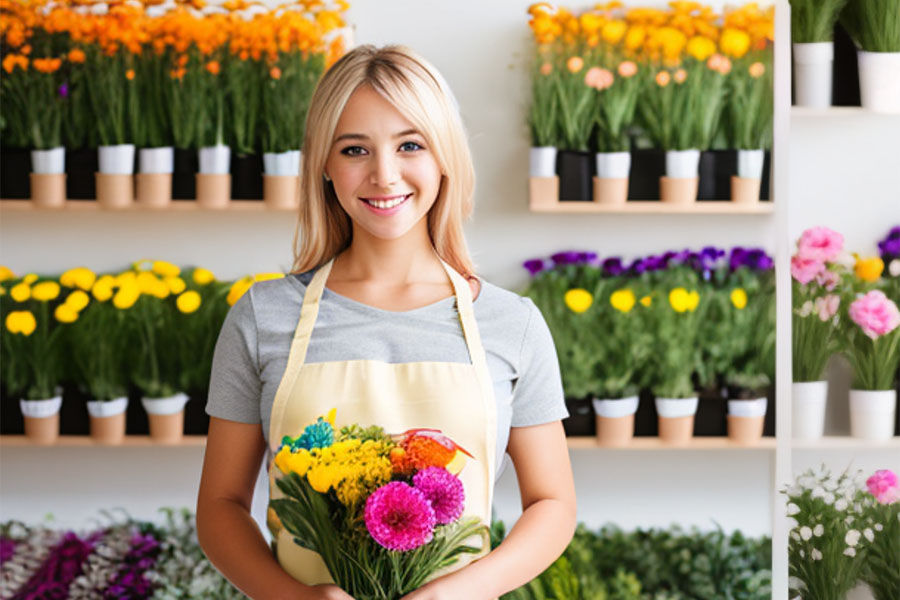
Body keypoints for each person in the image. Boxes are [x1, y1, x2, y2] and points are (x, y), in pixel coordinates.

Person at [196, 44, 576, 600]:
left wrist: (457, 593)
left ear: (444, 157)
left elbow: (554, 504)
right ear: (324, 164)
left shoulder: (509, 322)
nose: (384, 174)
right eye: (355, 149)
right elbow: (220, 506)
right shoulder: (262, 317)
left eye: (410, 145)